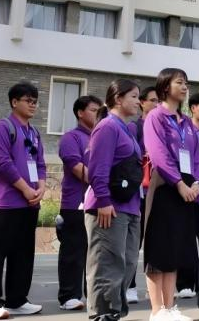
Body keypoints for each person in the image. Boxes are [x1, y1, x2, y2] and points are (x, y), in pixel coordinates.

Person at [0, 82, 46, 320]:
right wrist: (26, 189)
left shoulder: (34, 132)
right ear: (14, 102)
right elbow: (2, 163)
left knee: (23, 254)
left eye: (35, 101)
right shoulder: (3, 128)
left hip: (29, 204)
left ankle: (17, 300)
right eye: (28, 100)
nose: (33, 105)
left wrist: (41, 186)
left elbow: (40, 163)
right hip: (5, 203)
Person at [142, 68, 199, 321]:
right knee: (159, 248)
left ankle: (169, 307)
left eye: (186, 82)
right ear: (165, 86)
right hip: (165, 186)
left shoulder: (186, 122)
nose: (185, 87)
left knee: (175, 249)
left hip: (187, 189)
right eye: (180, 82)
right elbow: (158, 153)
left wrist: (197, 183)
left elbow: (197, 156)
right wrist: (179, 184)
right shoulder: (155, 117)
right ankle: (157, 310)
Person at [85, 79, 143, 321]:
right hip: (108, 207)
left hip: (129, 207)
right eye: (134, 96)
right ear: (118, 99)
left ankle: (114, 312)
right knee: (107, 264)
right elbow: (97, 169)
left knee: (127, 263)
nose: (139, 102)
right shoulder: (107, 127)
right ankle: (102, 314)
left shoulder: (128, 129)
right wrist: (103, 201)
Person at [57, 94, 102, 312]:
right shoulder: (71, 138)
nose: (97, 114)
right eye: (93, 110)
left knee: (95, 253)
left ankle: (91, 294)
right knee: (73, 252)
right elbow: (77, 168)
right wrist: (102, 180)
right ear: (80, 113)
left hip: (98, 201)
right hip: (75, 202)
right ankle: (69, 296)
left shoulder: (101, 136)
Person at [129, 86, 159, 304]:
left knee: (156, 241)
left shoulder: (162, 127)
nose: (156, 104)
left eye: (159, 101)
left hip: (158, 190)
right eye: (153, 100)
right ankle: (129, 285)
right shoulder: (135, 126)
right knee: (134, 241)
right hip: (140, 189)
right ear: (142, 102)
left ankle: (154, 287)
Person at [176, 92, 199, 300]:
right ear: (193, 107)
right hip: (187, 192)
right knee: (186, 241)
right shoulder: (185, 129)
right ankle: (185, 283)